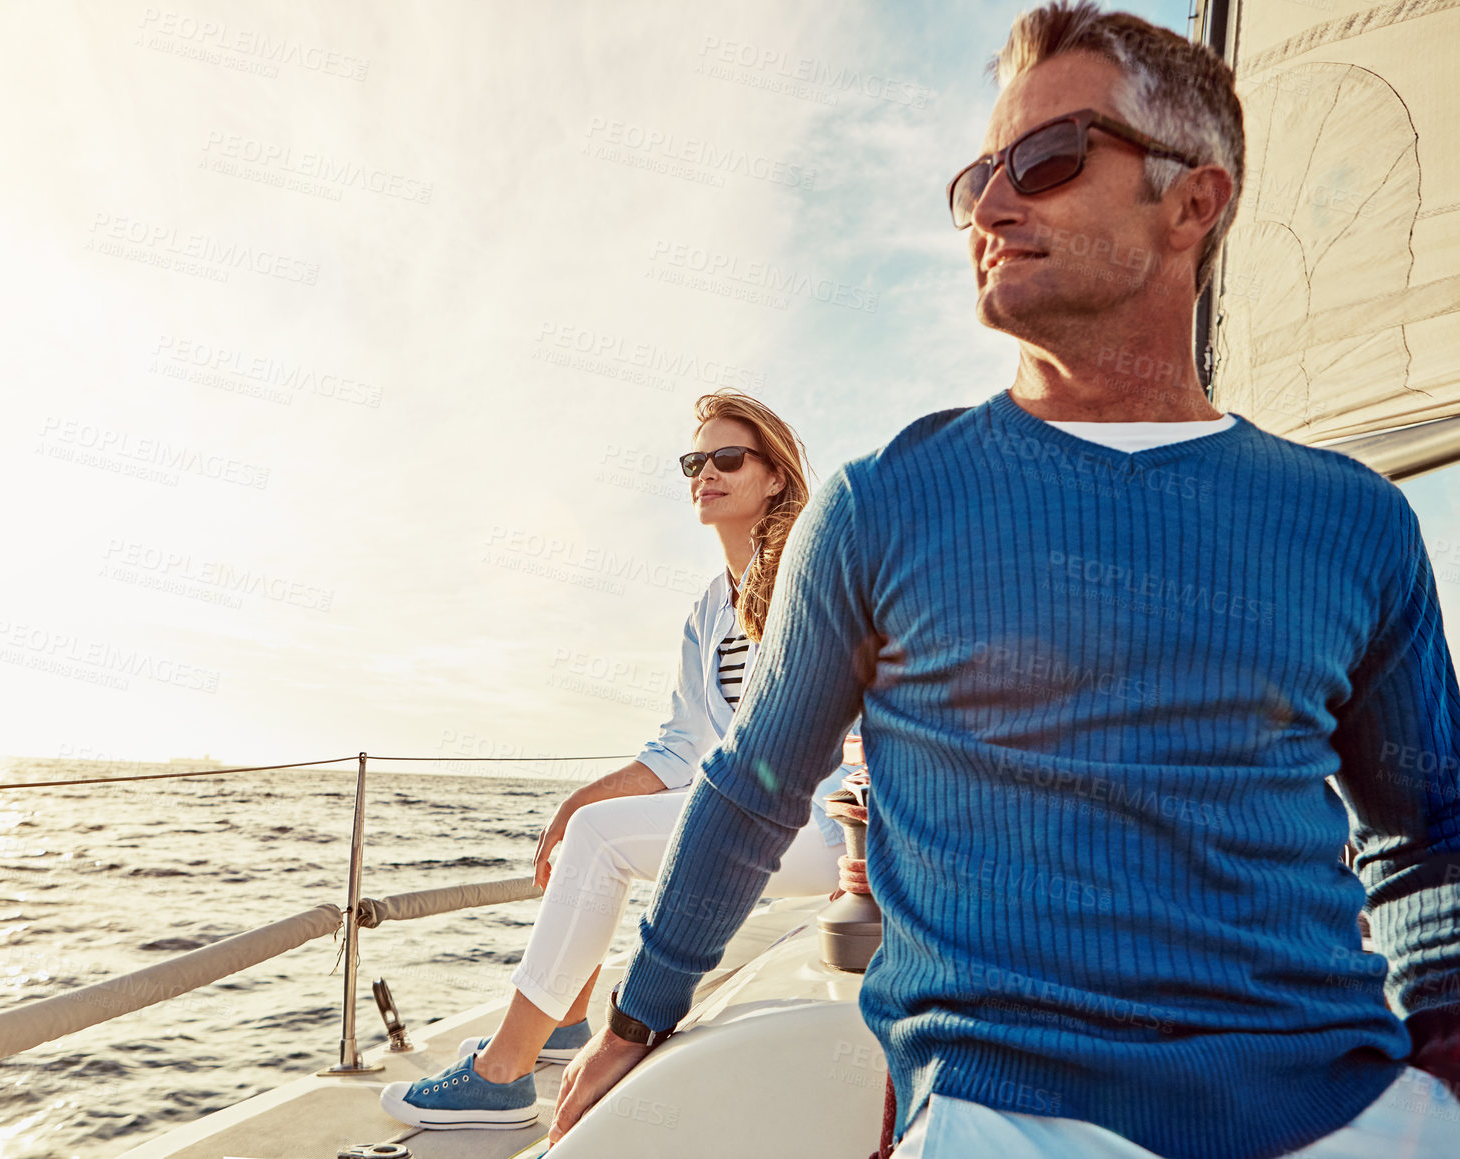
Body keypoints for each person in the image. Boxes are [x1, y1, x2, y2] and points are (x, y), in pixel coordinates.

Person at [552, 5, 1460, 1157]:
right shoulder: (884, 502)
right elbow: (753, 784)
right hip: (1008, 1117)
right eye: (978, 173)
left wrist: (1445, 1059)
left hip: (1349, 1107)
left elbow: (1430, 830)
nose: (988, 204)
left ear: (1194, 200)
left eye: (1047, 158)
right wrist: (636, 1014)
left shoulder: (1353, 520)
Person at [379, 390, 854, 1130]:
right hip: (768, 827)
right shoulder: (708, 607)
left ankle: (501, 1075)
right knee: (591, 827)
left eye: (728, 457)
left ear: (774, 477)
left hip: (837, 834)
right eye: (694, 460)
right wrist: (574, 804)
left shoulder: (811, 572)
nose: (705, 472)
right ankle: (563, 1021)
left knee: (605, 839)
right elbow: (678, 747)